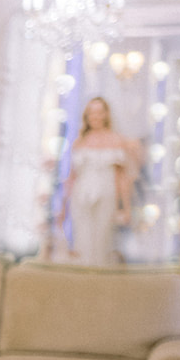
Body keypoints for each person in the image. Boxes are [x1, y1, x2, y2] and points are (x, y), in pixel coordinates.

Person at [62, 96, 131, 265]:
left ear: (106, 114)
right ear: (87, 116)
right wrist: (63, 206)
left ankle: (99, 280)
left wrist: (126, 207)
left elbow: (121, 177)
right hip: (81, 195)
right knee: (83, 239)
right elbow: (72, 176)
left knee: (103, 240)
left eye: (99, 112)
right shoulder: (80, 141)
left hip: (107, 194)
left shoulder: (116, 140)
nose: (96, 117)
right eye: (92, 113)